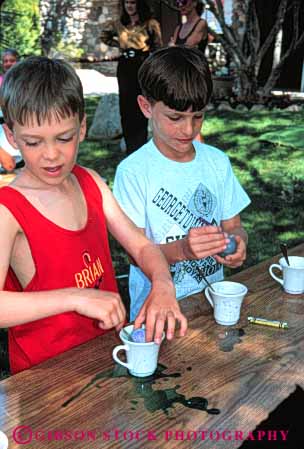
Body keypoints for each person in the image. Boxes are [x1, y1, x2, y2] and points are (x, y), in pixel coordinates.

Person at [0, 56, 187, 375]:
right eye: (33, 142)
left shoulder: (92, 183)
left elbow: (142, 247)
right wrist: (75, 297)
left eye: (64, 138)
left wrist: (163, 283)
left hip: (107, 356)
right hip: (43, 381)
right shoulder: (8, 209)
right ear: (12, 136)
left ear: (82, 128)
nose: (51, 154)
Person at [113, 46, 251, 321]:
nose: (188, 129)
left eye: (198, 115)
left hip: (213, 306)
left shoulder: (217, 162)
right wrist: (184, 250)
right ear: (146, 107)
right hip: (156, 313)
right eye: (175, 117)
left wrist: (239, 243)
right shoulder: (133, 172)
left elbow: (234, 225)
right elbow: (134, 254)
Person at [100, 0, 162, 155]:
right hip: (125, 65)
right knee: (126, 106)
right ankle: (130, 147)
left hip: (142, 64)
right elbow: (104, 36)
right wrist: (118, 45)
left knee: (140, 104)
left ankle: (140, 145)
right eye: (127, 3)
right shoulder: (119, 24)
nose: (129, 6)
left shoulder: (150, 23)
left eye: (133, 3)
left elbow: (158, 46)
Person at [0, 48, 22, 172]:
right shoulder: (1, 80)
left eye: (12, 60)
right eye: (5, 61)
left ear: (18, 61)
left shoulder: (24, 81)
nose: (8, 63)